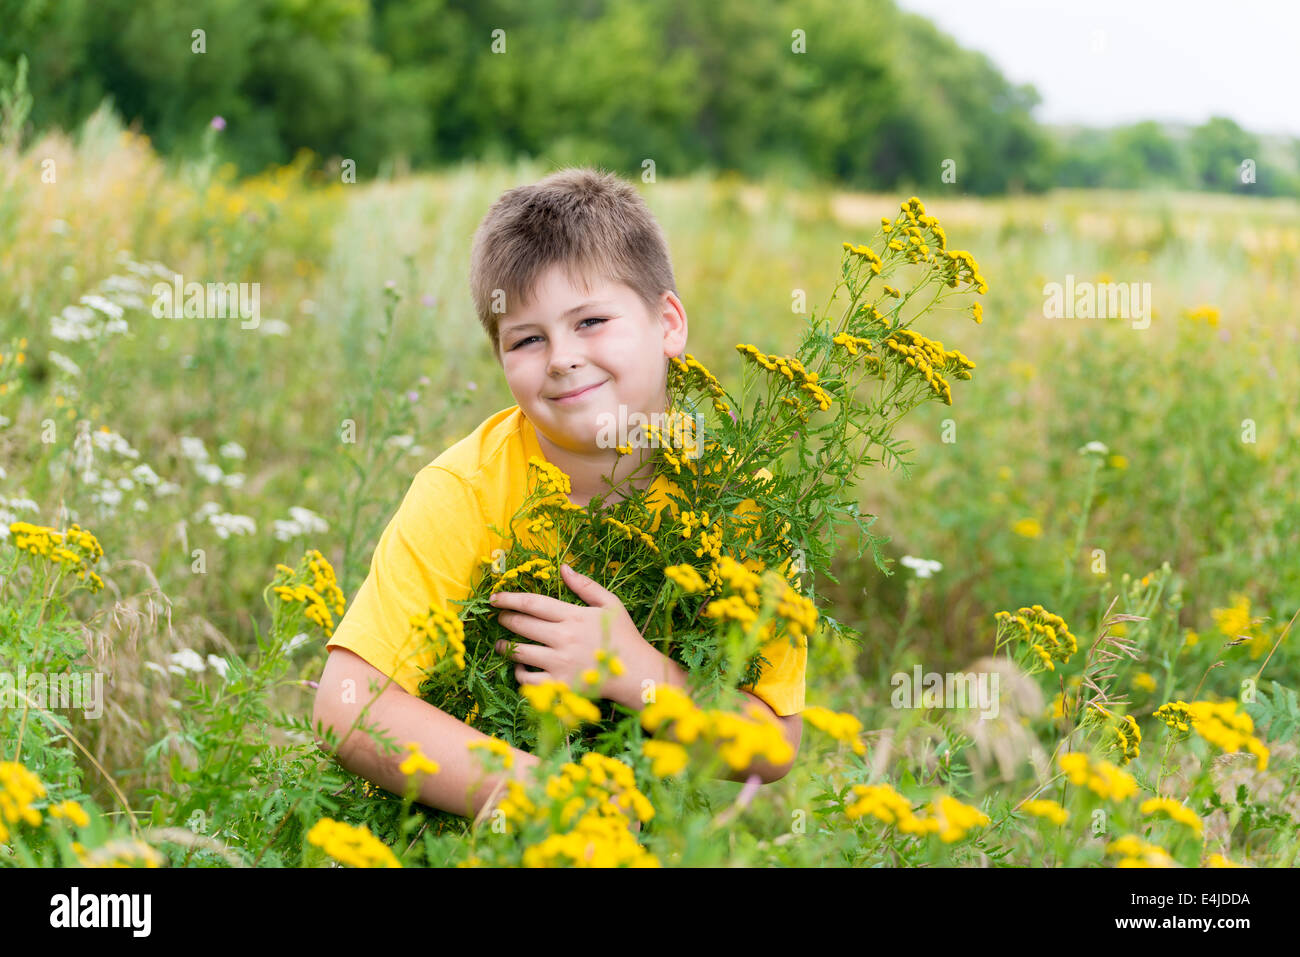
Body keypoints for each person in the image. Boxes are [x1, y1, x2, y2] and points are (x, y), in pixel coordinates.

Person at [312, 167, 805, 825]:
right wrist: (553, 799)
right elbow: (345, 704)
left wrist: (633, 671)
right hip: (465, 827)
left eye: (591, 320)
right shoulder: (464, 490)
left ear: (668, 323)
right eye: (527, 338)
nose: (562, 358)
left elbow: (772, 743)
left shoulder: (741, 503)